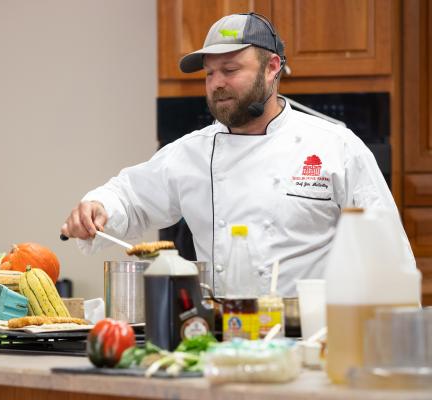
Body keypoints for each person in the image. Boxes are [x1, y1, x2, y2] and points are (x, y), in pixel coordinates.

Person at [61, 13, 415, 296]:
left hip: (313, 345)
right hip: (218, 342)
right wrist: (98, 206)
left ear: (272, 67)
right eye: (210, 73)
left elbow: (386, 254)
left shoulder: (336, 147)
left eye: (230, 70)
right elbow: (130, 195)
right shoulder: (192, 152)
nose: (216, 84)